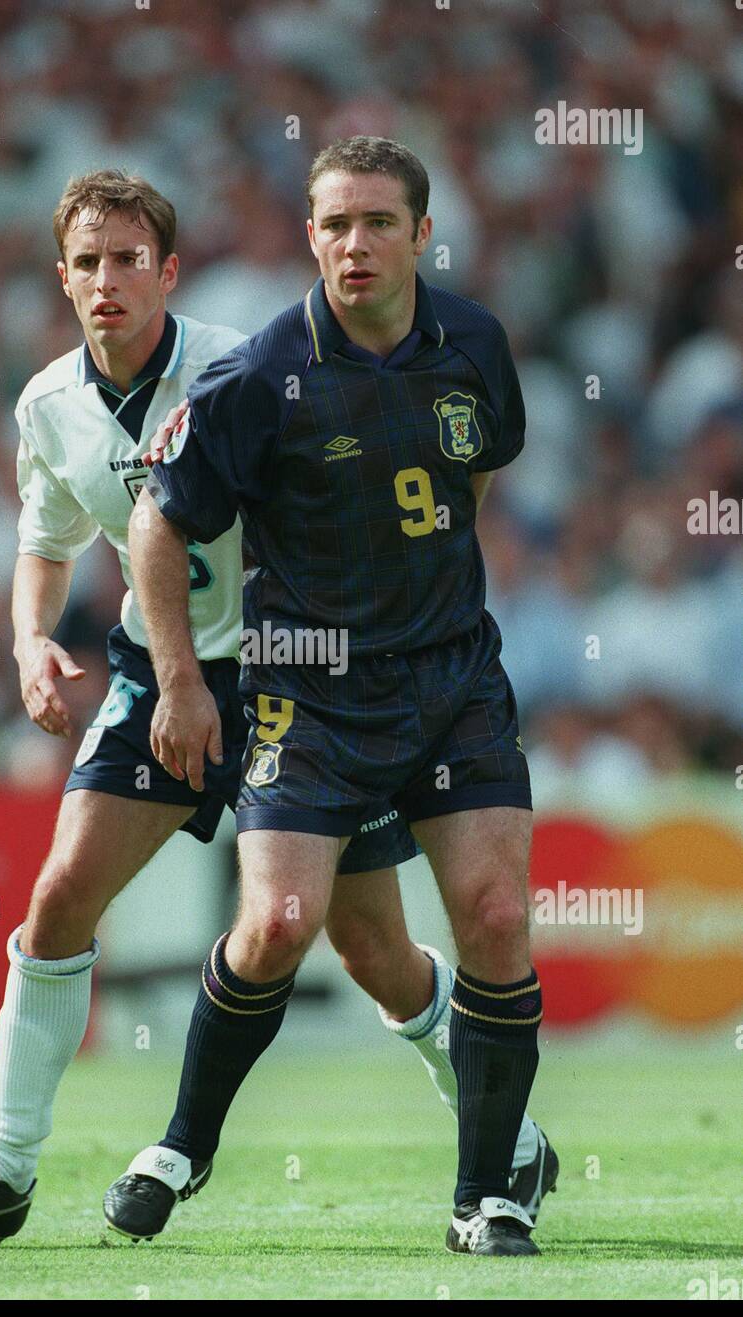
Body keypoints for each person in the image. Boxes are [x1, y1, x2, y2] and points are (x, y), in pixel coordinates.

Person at [0, 167, 554, 1251]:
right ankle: (2, 1170)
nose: (106, 280)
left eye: (126, 258)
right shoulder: (48, 402)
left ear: (167, 269)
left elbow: (431, 483)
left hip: (305, 679)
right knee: (61, 893)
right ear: (60, 279)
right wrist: (28, 641)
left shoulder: (239, 367)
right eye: (86, 262)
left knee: (370, 951)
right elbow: (45, 541)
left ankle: (506, 1142)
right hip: (168, 676)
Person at [123, 137, 550, 1257]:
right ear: (309, 235)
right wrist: (178, 679)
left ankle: (486, 1200)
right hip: (306, 692)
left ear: (420, 235)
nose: (354, 244)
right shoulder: (263, 374)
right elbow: (158, 522)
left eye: (376, 222)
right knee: (275, 926)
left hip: (452, 677)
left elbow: (474, 473)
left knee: (497, 916)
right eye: (333, 225)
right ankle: (183, 1142)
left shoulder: (476, 344)